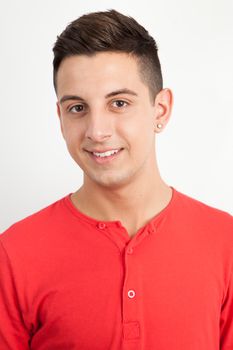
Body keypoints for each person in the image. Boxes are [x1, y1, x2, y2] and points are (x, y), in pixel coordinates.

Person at [0, 9, 232, 350]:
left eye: (119, 103)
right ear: (60, 118)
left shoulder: (225, 243)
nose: (97, 131)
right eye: (77, 108)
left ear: (160, 110)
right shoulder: (13, 254)